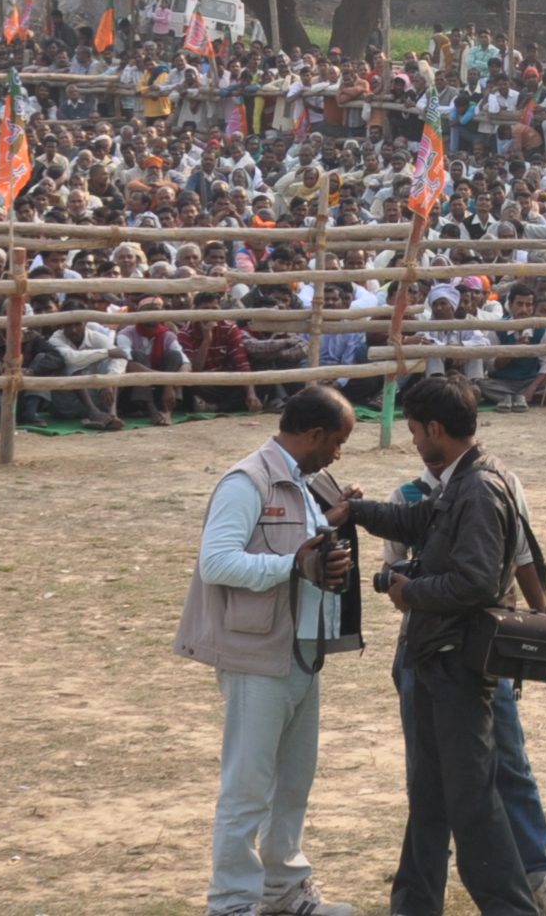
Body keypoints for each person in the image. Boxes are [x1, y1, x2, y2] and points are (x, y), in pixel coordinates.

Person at [346, 373, 541, 916]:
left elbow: (476, 582)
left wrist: (412, 591)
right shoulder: (467, 476)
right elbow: (417, 520)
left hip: (457, 662)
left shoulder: (478, 488)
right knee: (430, 796)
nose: (411, 441)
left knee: (471, 800)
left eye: (413, 431)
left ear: (435, 428)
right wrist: (357, 511)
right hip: (438, 658)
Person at [172, 383, 360, 916]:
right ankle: (231, 903)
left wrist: (336, 520)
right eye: (338, 442)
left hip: (300, 650)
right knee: (247, 788)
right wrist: (292, 567)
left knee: (293, 780)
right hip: (258, 656)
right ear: (314, 434)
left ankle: (282, 890)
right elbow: (218, 563)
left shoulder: (304, 481)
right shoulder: (246, 481)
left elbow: (302, 545)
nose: (339, 454)